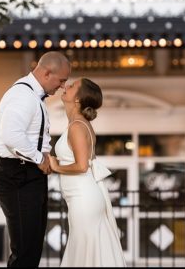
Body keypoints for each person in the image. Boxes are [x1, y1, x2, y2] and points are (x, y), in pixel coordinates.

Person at [0, 51, 71, 267]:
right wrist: (39, 158)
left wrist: (40, 159)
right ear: (46, 73)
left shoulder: (33, 96)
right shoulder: (23, 96)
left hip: (28, 174)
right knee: (25, 251)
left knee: (33, 248)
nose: (63, 86)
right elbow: (11, 135)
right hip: (18, 175)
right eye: (62, 80)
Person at [48, 78, 127, 267]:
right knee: (85, 252)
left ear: (78, 99)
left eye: (72, 86)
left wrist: (55, 166)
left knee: (84, 251)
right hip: (81, 198)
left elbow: (82, 166)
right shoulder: (77, 124)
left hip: (84, 200)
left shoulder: (77, 126)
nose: (66, 86)